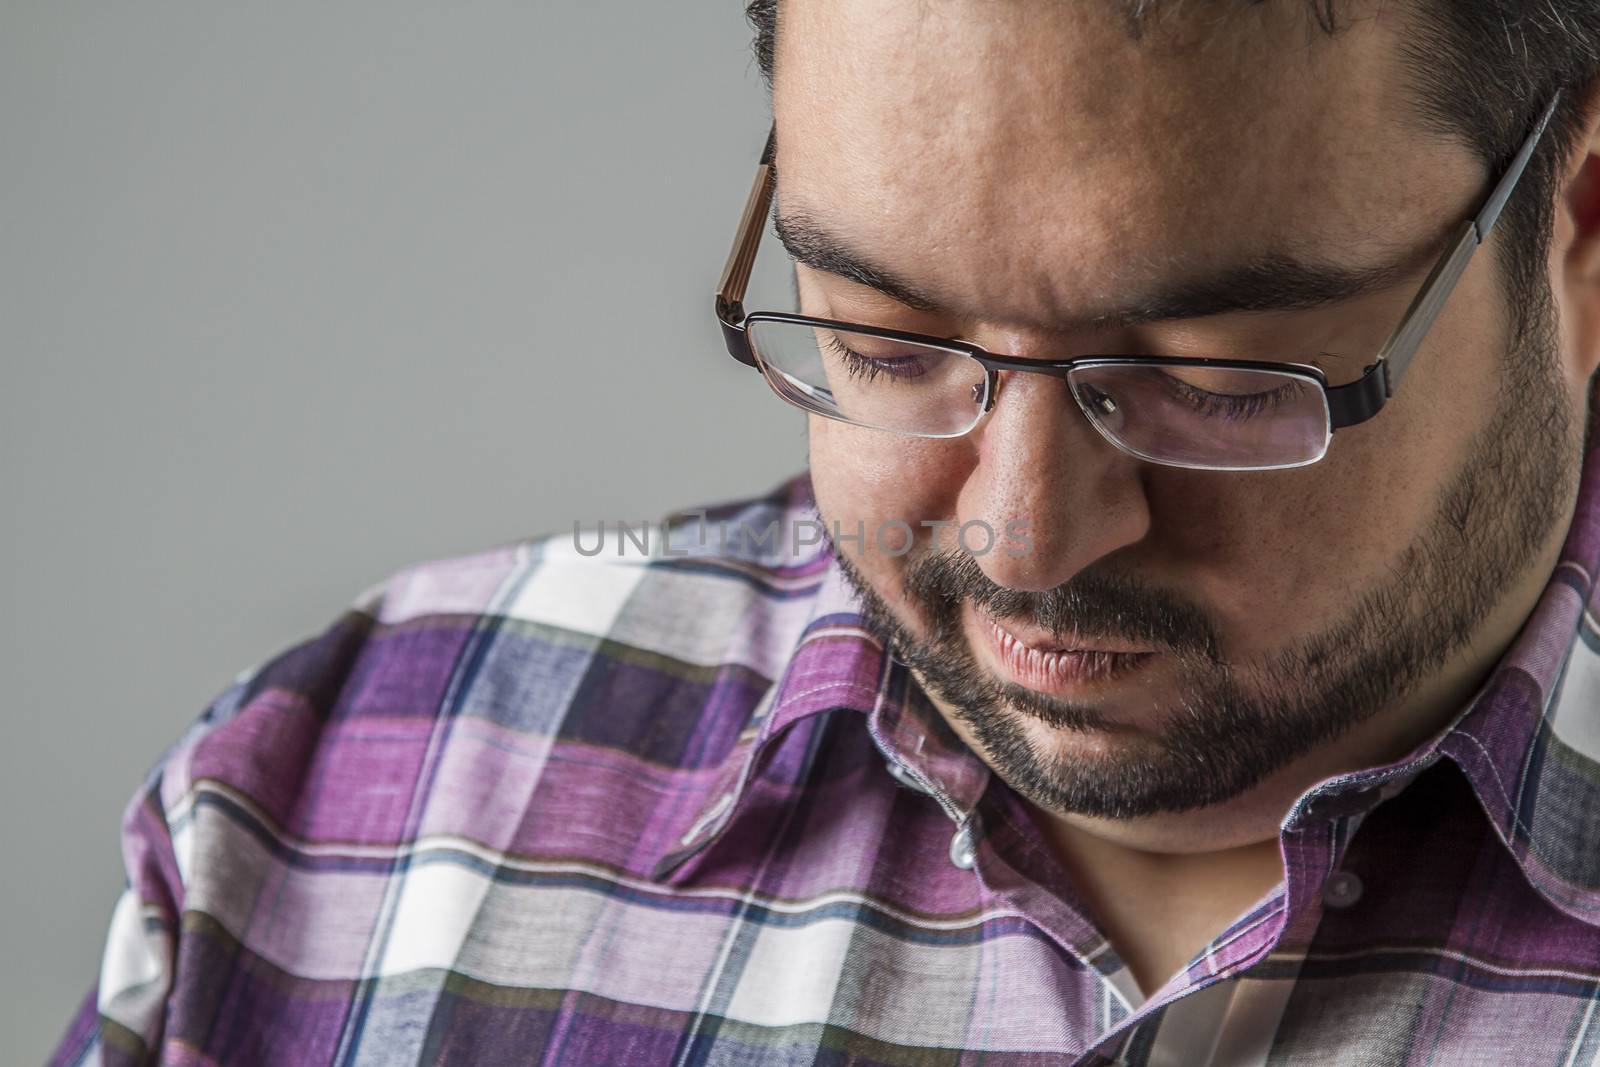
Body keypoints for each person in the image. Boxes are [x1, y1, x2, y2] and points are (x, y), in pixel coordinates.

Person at [47, 1, 1600, 1063]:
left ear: (1580, 229)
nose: (1026, 538)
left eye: (1210, 382)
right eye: (885, 343)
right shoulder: (323, 817)